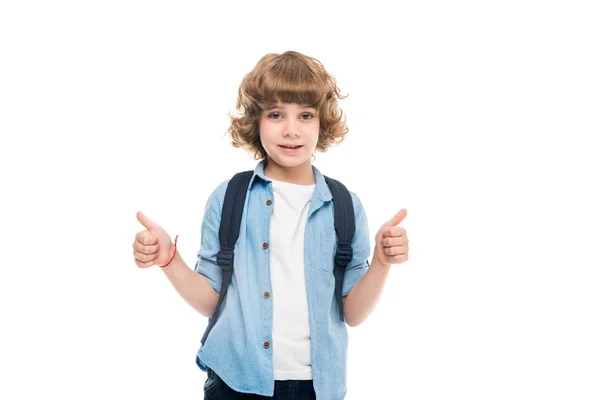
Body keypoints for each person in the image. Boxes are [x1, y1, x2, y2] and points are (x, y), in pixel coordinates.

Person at [132, 50, 410, 399]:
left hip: (319, 387)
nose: (291, 130)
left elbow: (352, 314)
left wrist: (382, 264)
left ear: (322, 122)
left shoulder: (345, 205)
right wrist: (168, 259)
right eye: (276, 114)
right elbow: (210, 300)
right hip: (236, 381)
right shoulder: (230, 197)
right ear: (256, 121)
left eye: (306, 115)